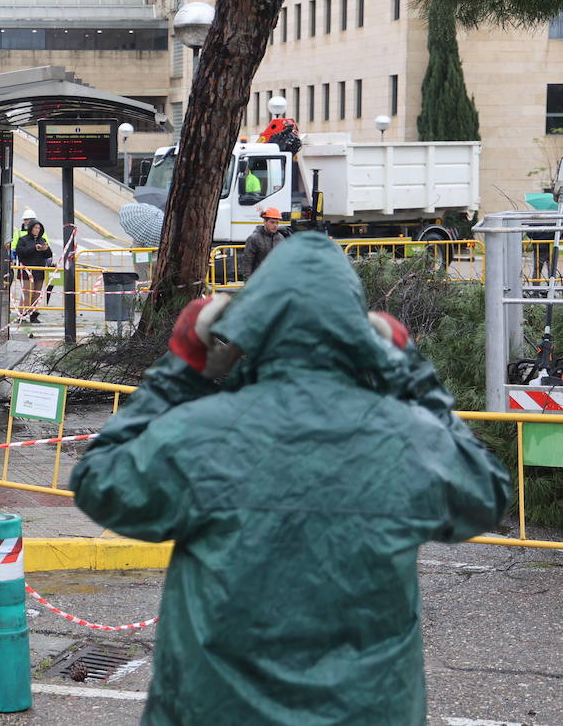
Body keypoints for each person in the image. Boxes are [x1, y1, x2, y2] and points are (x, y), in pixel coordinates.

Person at [70, 233, 510, 725]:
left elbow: (98, 482)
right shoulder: (409, 439)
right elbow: (486, 495)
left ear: (254, 326)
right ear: (357, 333)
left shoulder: (200, 435)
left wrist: (184, 367)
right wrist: (411, 375)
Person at [13, 219, 52, 323]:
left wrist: (46, 249)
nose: (37, 230)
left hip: (39, 270)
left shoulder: (42, 240)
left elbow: (49, 255)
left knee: (37, 293)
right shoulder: (23, 240)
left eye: (39, 228)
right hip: (27, 271)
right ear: (30, 228)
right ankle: (22, 314)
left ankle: (33, 314)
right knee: (27, 292)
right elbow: (21, 252)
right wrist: (34, 248)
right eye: (35, 228)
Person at [241, 206, 284, 277]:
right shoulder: (254, 238)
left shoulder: (280, 238)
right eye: (272, 222)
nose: (275, 225)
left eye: (277, 223)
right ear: (264, 222)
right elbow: (247, 262)